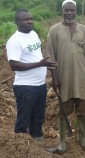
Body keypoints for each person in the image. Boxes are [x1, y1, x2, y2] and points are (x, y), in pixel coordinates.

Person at [46, 0, 85, 153]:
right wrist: (54, 77)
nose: (69, 13)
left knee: (82, 108)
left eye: (72, 10)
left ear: (76, 11)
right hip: (63, 77)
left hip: (81, 77)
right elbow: (50, 56)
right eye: (67, 10)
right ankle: (62, 142)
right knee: (63, 109)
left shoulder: (84, 30)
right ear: (62, 11)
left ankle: (83, 138)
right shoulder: (54, 30)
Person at [6, 8, 57, 141]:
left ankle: (37, 145)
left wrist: (44, 64)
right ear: (17, 22)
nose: (30, 22)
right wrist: (39, 64)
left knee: (38, 116)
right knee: (24, 119)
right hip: (25, 87)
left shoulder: (33, 34)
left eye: (30, 19)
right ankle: (20, 147)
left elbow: (37, 53)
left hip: (40, 85)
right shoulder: (14, 41)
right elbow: (14, 65)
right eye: (25, 19)